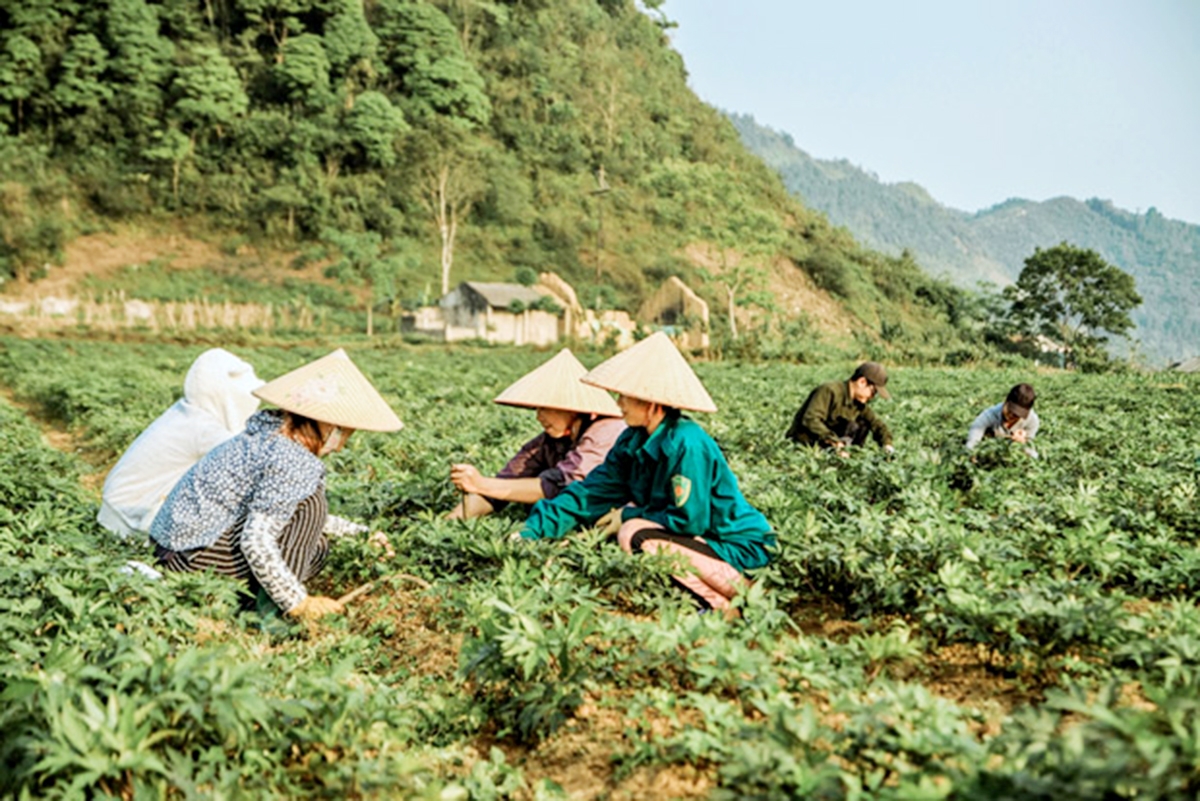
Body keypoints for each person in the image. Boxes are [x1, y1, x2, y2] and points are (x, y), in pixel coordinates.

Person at [516, 332, 775, 616]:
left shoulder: (687, 444)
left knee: (635, 534)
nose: (619, 404)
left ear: (650, 403)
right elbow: (591, 493)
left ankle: (729, 601)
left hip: (735, 546)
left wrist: (628, 515)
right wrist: (532, 531)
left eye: (625, 396)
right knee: (630, 532)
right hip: (700, 545)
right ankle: (719, 603)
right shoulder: (631, 440)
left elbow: (690, 520)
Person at [149, 349, 403, 620]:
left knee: (316, 543)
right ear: (329, 425)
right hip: (192, 559)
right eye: (344, 436)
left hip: (172, 554)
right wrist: (297, 603)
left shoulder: (269, 435)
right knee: (311, 505)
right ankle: (269, 617)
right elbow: (256, 539)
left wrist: (361, 534)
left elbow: (281, 511)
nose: (340, 447)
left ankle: (252, 602)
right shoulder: (292, 458)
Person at [98, 348, 263, 540]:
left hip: (115, 509)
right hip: (130, 519)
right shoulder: (204, 428)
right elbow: (251, 466)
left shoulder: (186, 413)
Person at [448, 349, 626, 519]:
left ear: (572, 409)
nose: (539, 416)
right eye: (537, 408)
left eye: (545, 408)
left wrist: (482, 484)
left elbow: (564, 484)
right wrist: (452, 520)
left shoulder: (606, 431)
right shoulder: (548, 441)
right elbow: (503, 484)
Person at [784, 361, 894, 456]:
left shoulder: (858, 403)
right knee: (851, 425)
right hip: (806, 444)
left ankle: (850, 458)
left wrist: (887, 445)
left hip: (830, 445)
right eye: (873, 392)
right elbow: (810, 419)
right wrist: (835, 442)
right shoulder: (830, 391)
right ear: (862, 382)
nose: (872, 397)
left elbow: (876, 424)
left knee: (862, 423)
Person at [965, 383, 1039, 457]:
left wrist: (1022, 443)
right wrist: (973, 455)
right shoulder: (989, 416)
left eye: (1017, 415)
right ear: (1006, 401)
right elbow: (972, 442)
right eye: (1010, 410)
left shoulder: (1031, 421)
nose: (1011, 415)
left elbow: (1030, 448)